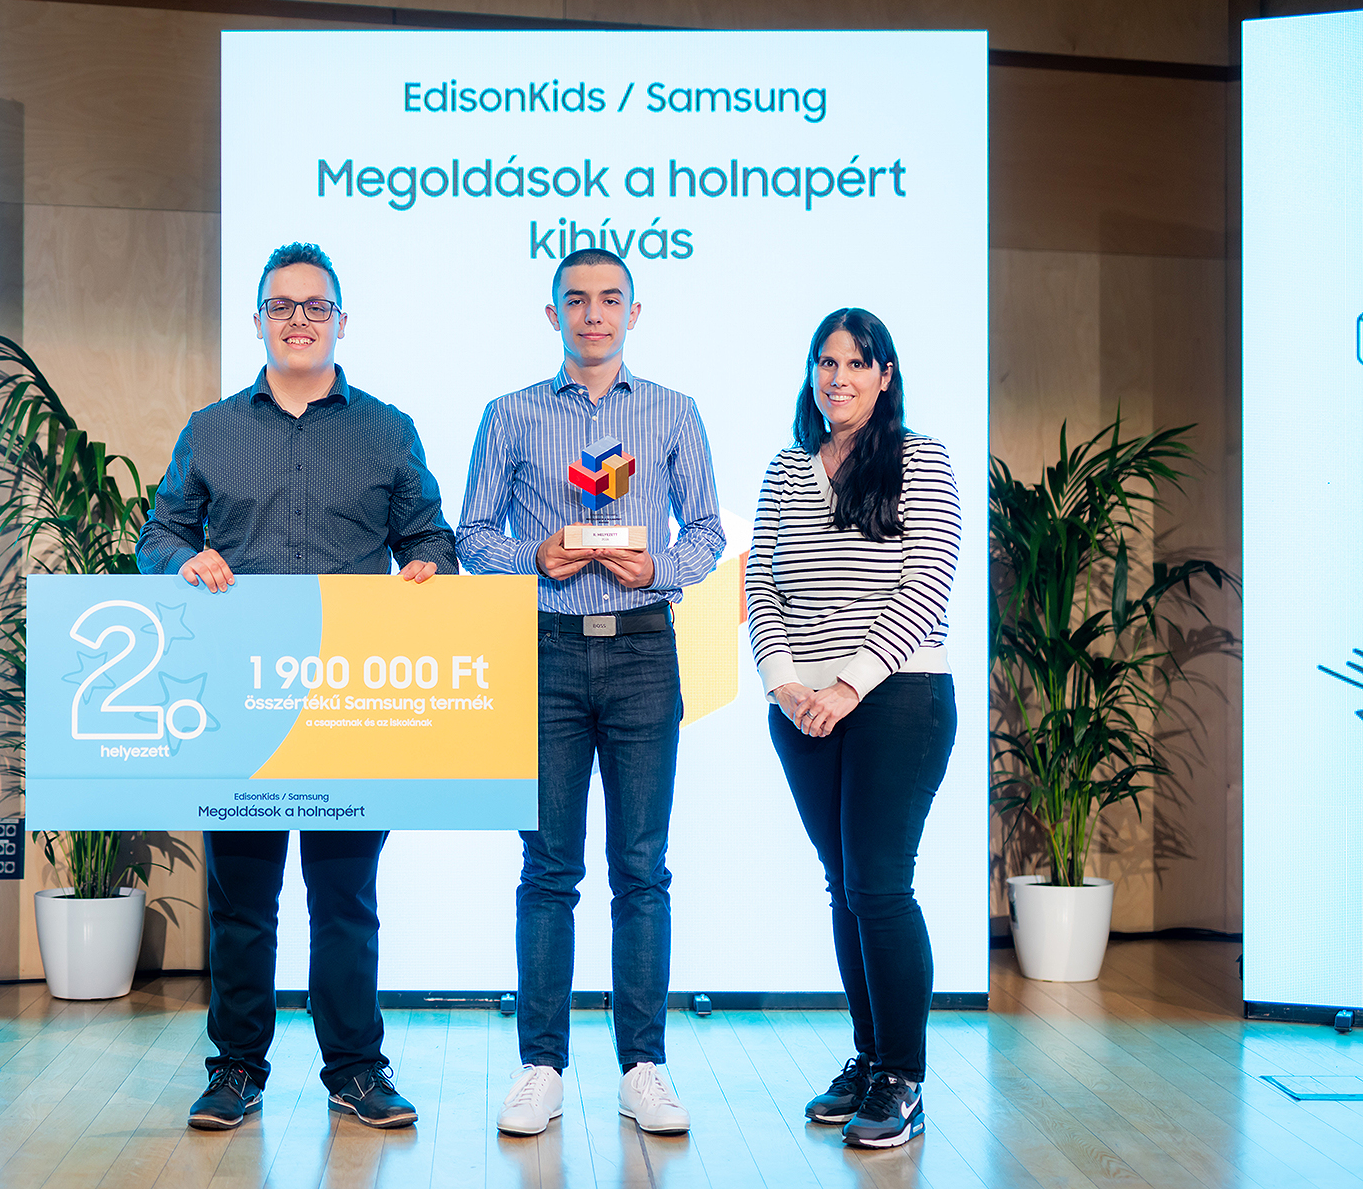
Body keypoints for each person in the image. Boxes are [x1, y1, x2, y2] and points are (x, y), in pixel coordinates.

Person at [136, 241, 457, 1132]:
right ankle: (236, 1068)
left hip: (351, 700)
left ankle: (355, 1068)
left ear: (341, 320)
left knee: (345, 900)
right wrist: (182, 558)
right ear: (258, 321)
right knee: (242, 902)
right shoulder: (211, 429)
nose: (299, 319)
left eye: (316, 306)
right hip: (241, 703)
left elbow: (431, 536)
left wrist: (427, 568)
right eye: (282, 305)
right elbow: (158, 534)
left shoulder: (387, 429)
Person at [457, 248, 724, 1137]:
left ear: (633, 314)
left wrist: (663, 568)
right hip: (546, 653)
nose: (594, 314)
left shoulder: (673, 411)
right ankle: (541, 1065)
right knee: (548, 867)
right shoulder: (510, 413)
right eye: (577, 300)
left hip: (645, 649)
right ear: (553, 314)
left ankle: (643, 1065)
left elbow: (709, 529)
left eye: (611, 299)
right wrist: (532, 556)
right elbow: (472, 534)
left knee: (641, 868)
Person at [743, 307, 961, 1149]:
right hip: (802, 707)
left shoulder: (920, 458)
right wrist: (785, 683)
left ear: (885, 375)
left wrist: (846, 685)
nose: (838, 377)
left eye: (857, 363)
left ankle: (903, 1077)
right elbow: (761, 586)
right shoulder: (786, 468)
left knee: (880, 885)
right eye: (826, 362)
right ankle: (870, 1059)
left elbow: (927, 584)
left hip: (899, 695)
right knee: (844, 885)